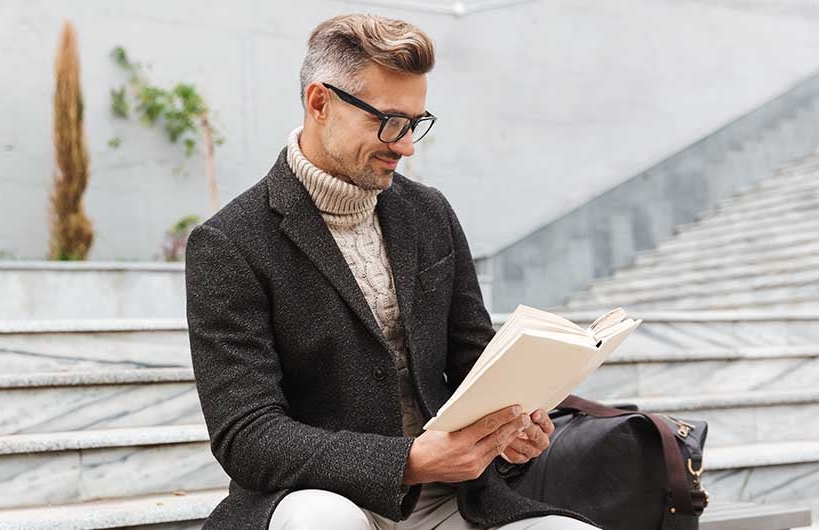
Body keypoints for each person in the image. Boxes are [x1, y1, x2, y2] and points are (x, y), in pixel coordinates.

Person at [184, 12, 602, 530]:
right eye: (389, 121)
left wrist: (512, 430)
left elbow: (475, 359)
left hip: (452, 499)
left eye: (415, 123)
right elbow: (246, 434)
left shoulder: (430, 214)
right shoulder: (229, 243)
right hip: (318, 499)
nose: (406, 145)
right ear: (320, 103)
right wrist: (408, 461)